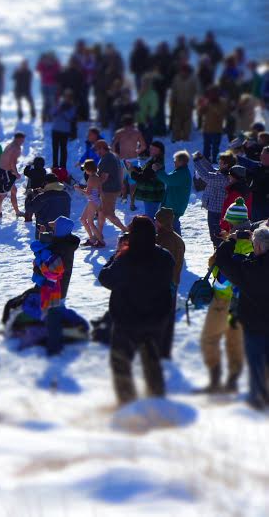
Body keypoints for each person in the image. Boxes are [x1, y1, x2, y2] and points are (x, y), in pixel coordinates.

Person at [98, 216, 175, 405]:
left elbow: (105, 278)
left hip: (127, 321)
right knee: (152, 362)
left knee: (121, 363)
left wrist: (116, 255)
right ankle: (157, 401)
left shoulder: (125, 259)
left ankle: (127, 403)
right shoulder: (165, 256)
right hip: (156, 319)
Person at [211, 226, 269, 409]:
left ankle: (258, 400)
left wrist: (232, 239)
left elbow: (221, 260)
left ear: (257, 247)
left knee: (256, 363)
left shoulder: (247, 269)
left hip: (254, 326)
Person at [198, 228, 253, 394]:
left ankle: (215, 379)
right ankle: (233, 381)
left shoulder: (227, 248)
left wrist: (226, 243)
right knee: (234, 341)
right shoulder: (255, 249)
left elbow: (215, 269)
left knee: (210, 338)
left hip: (221, 300)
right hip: (240, 303)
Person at [154, 208, 185, 359]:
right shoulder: (177, 238)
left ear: (161, 222)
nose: (154, 221)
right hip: (174, 280)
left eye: (156, 219)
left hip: (163, 283)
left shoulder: (162, 239)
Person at [192, 151, 236, 246]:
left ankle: (218, 255)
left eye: (220, 161)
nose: (218, 162)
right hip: (217, 209)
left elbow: (206, 176)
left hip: (216, 212)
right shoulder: (225, 174)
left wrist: (196, 162)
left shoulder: (222, 177)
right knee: (219, 236)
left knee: (216, 236)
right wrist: (201, 159)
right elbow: (211, 169)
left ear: (226, 164)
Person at [153, 151, 192, 235]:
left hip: (174, 207)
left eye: (176, 160)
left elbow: (168, 180)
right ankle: (176, 245)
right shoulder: (180, 171)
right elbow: (169, 177)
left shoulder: (182, 173)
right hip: (174, 206)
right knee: (172, 226)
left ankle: (177, 245)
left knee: (172, 228)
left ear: (181, 162)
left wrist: (158, 171)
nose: (174, 162)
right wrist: (160, 170)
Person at [94, 140, 127, 238]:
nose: (96, 152)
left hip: (109, 190)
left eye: (97, 150)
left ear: (101, 148)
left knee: (108, 213)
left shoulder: (106, 159)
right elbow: (121, 171)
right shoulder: (113, 156)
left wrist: (95, 185)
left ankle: (126, 230)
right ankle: (98, 234)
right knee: (101, 212)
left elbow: (104, 177)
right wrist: (121, 184)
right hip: (113, 188)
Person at [129, 140, 167, 217]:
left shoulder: (157, 162)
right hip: (151, 194)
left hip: (152, 195)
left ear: (159, 150)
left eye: (152, 149)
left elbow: (144, 177)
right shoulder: (153, 159)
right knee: (151, 216)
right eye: (150, 148)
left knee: (150, 217)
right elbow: (145, 171)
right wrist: (135, 168)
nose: (150, 150)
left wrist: (132, 172)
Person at [76, 160, 104, 247]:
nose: (85, 171)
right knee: (83, 219)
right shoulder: (96, 176)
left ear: (88, 169)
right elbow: (96, 191)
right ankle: (92, 239)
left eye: (85, 169)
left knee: (90, 222)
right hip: (94, 200)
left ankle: (101, 241)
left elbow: (88, 193)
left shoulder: (91, 179)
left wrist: (79, 189)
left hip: (92, 201)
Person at [169, 63, 198, 142]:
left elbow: (196, 91)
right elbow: (173, 91)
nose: (184, 72)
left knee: (187, 122)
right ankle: (176, 137)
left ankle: (186, 137)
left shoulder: (192, 80)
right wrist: (172, 101)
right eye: (182, 71)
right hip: (178, 103)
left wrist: (195, 102)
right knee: (177, 121)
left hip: (188, 104)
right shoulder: (176, 79)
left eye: (185, 71)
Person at [49, 89, 76, 169]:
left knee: (63, 149)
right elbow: (52, 112)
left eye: (68, 97)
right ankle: (55, 165)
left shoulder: (72, 107)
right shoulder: (59, 104)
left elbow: (69, 117)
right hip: (55, 129)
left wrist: (63, 111)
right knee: (55, 149)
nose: (66, 98)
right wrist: (59, 108)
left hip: (64, 131)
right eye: (66, 96)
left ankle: (63, 166)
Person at [0, 132, 26, 217]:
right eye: (22, 140)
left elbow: (4, 158)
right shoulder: (16, 148)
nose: (23, 142)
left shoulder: (10, 145)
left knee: (13, 190)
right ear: (17, 139)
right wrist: (16, 173)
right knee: (3, 193)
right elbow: (12, 162)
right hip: (7, 172)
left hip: (5, 171)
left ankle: (17, 212)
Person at [36, 51, 61, 122]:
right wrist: (41, 60)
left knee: (52, 101)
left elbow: (57, 71)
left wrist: (53, 63)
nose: (49, 60)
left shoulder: (55, 64)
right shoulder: (43, 65)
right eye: (47, 58)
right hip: (44, 85)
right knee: (45, 102)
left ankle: (51, 117)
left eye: (50, 58)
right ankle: (44, 117)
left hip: (53, 85)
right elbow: (38, 68)